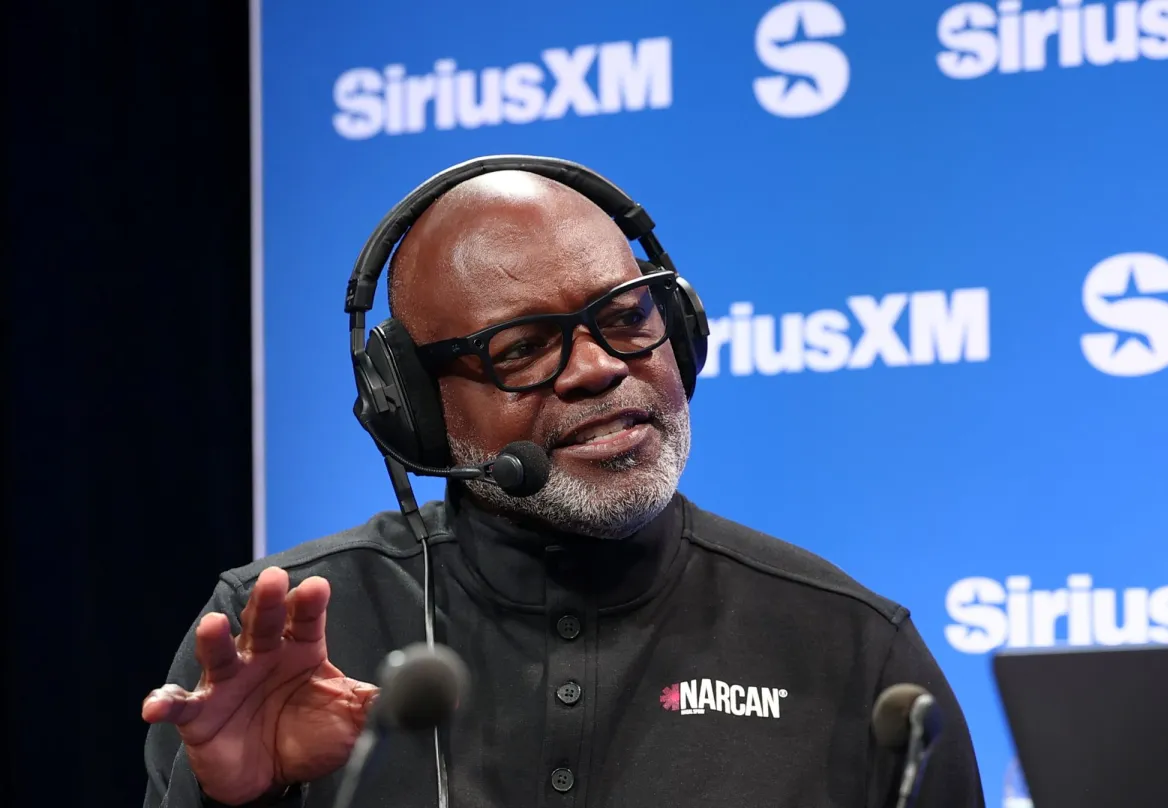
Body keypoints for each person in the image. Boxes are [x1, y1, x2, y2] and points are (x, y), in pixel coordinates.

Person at [142, 162, 984, 807]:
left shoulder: (853, 648)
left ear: (681, 331)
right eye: (522, 348)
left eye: (627, 317)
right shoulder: (279, 637)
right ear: (415, 409)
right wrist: (237, 805)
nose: (596, 368)